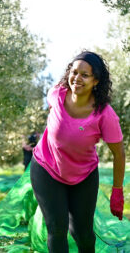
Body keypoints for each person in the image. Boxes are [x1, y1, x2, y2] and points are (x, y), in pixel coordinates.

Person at [30, 51, 125, 253]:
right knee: (56, 229)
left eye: (84, 75)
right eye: (74, 72)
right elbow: (54, 119)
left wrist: (117, 191)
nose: (77, 78)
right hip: (47, 169)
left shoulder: (105, 114)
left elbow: (119, 153)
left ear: (96, 81)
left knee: (82, 233)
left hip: (84, 175)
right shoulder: (56, 94)